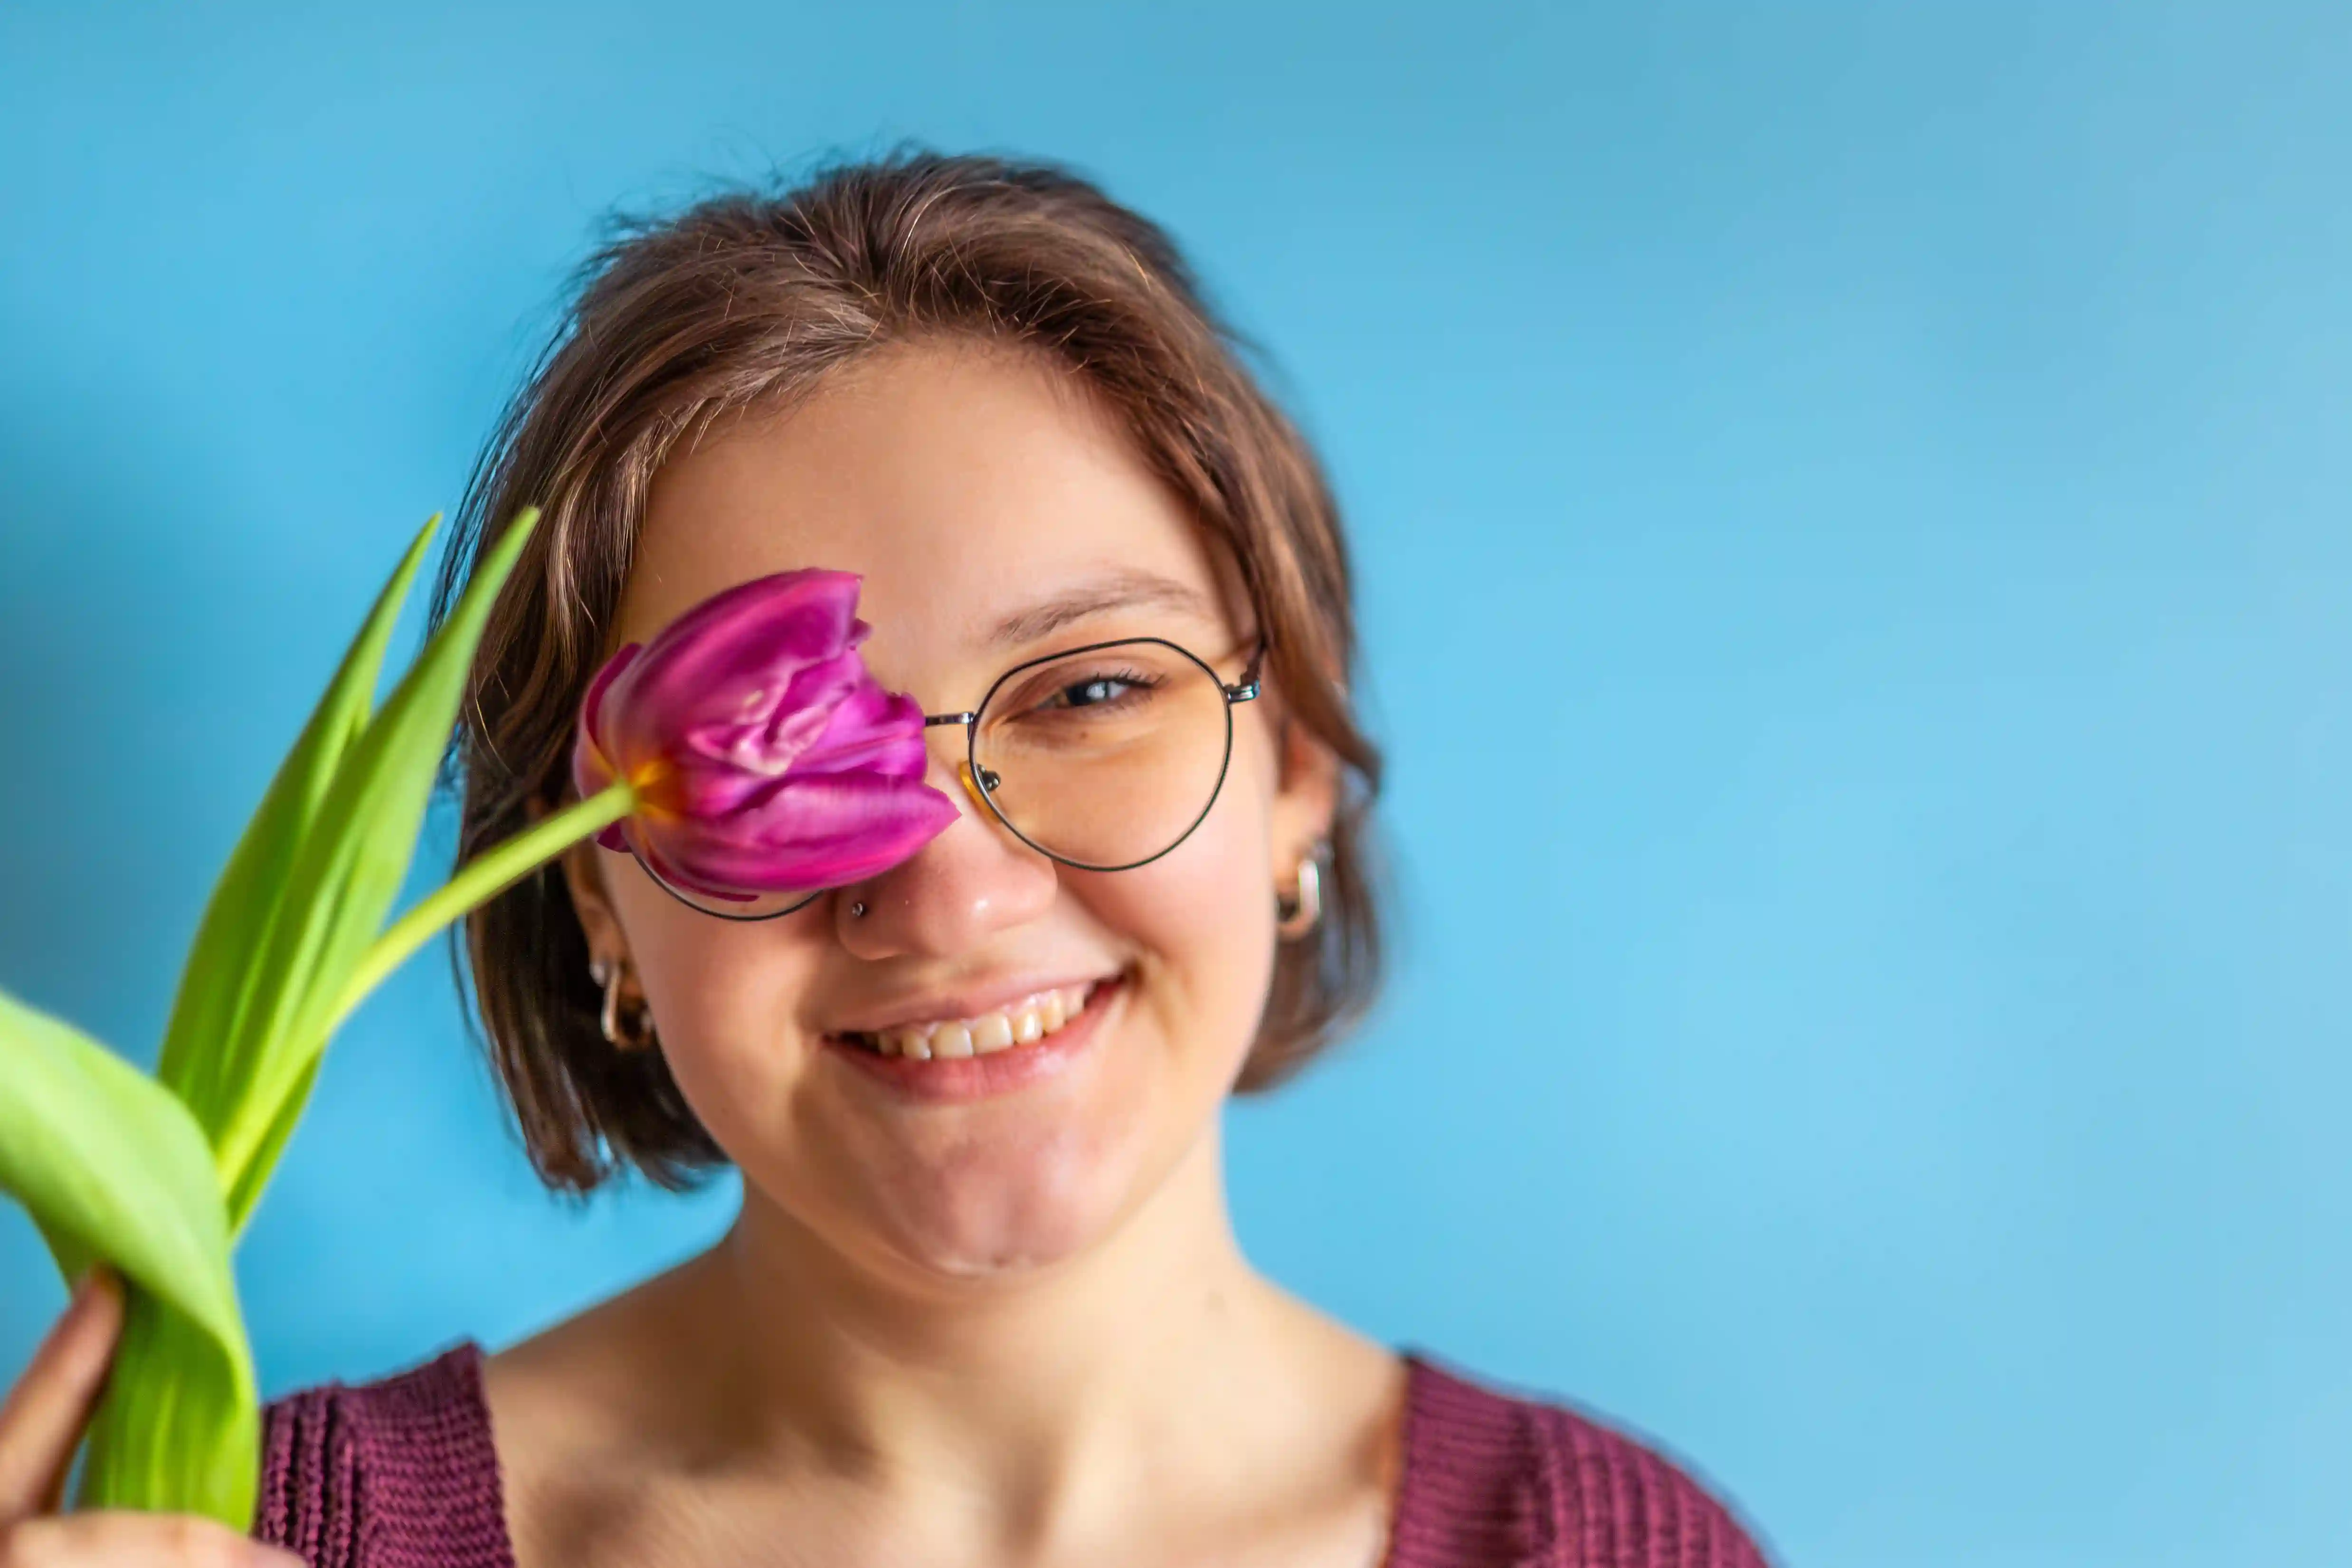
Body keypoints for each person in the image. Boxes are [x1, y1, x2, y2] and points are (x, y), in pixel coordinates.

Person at [0, 151, 1776, 1568]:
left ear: (1295, 772)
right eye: (755, 761)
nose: (948, 886)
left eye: (1089, 688)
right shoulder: (246, 1538)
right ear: (591, 891)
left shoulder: (1600, 1548)